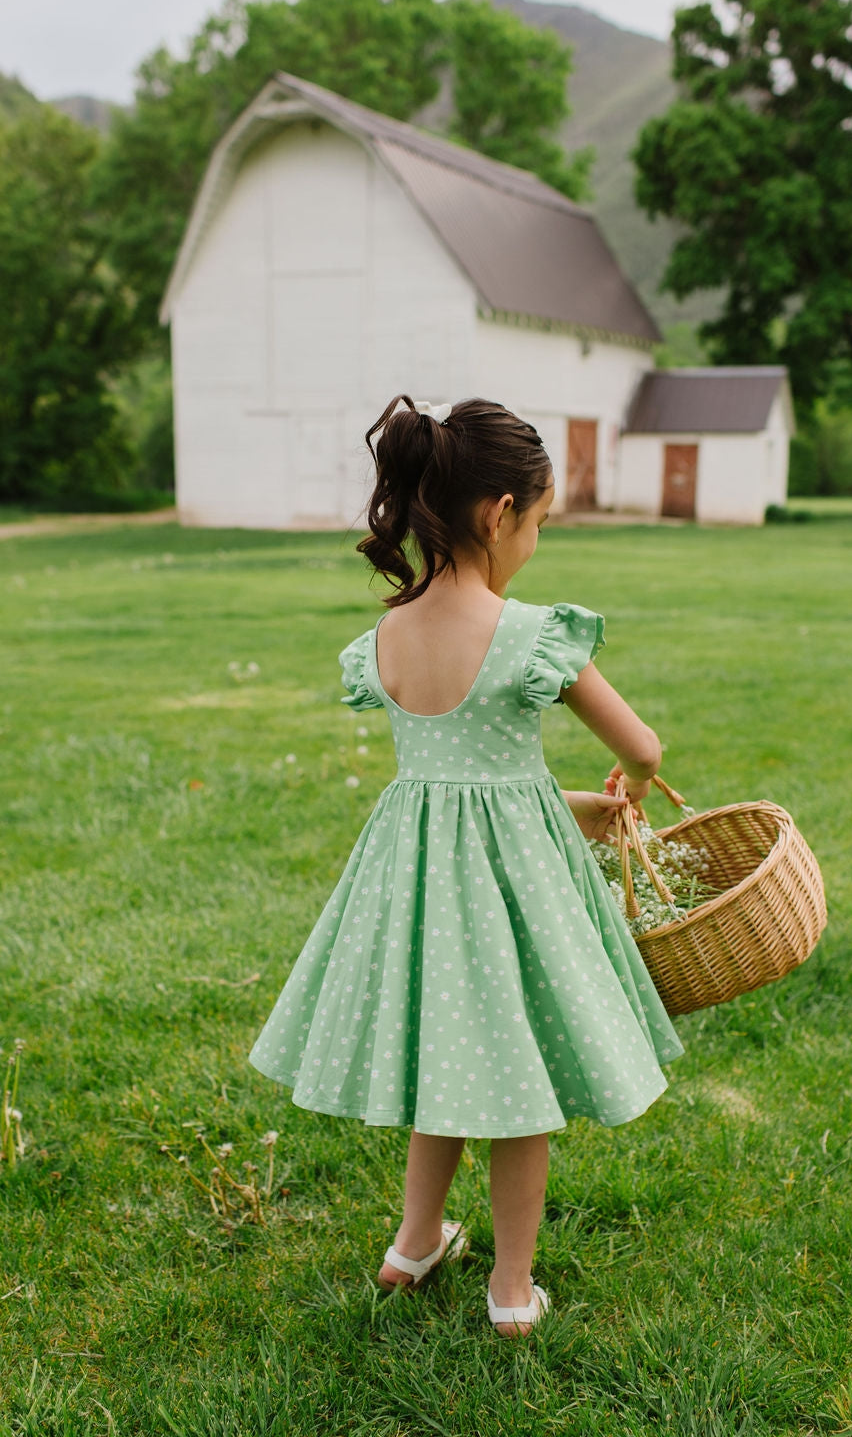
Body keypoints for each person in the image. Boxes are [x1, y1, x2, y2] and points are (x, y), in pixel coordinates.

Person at [249, 395, 683, 1336]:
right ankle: (511, 1291)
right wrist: (637, 782)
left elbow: (463, 778)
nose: (536, 542)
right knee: (519, 1083)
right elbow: (641, 742)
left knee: (445, 1059)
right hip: (512, 893)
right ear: (499, 515)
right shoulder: (531, 635)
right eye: (539, 522)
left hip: (419, 882)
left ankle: (414, 1244)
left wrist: (569, 805)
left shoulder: (387, 636)